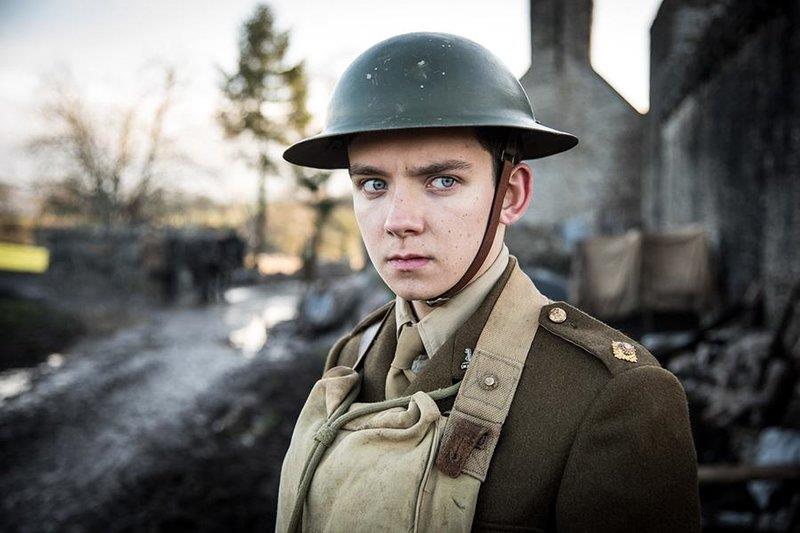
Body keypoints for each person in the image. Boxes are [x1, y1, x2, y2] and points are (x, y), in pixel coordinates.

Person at [277, 32, 700, 532]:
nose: (397, 221)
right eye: (373, 184)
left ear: (511, 195)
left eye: (443, 181)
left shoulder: (614, 395)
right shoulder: (355, 352)